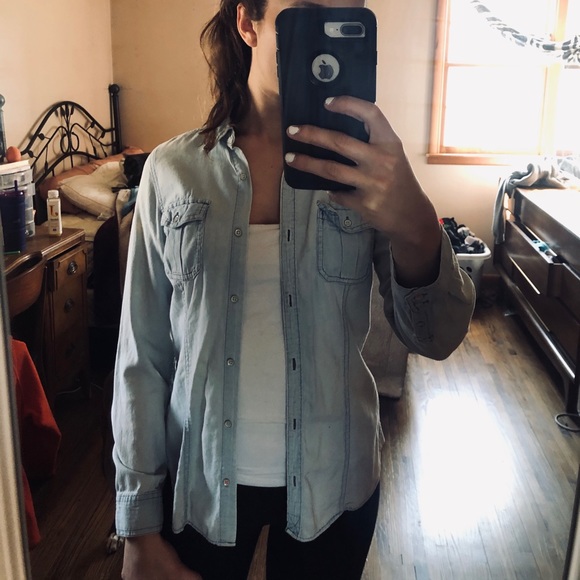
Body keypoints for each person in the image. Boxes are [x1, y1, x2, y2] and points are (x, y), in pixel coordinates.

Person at [111, 0, 476, 578]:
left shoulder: (371, 173)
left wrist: (414, 220)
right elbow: (142, 357)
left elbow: (437, 337)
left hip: (337, 487)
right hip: (199, 488)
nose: (326, 34)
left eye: (344, 13)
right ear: (248, 23)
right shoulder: (171, 170)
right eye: (305, 10)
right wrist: (137, 525)